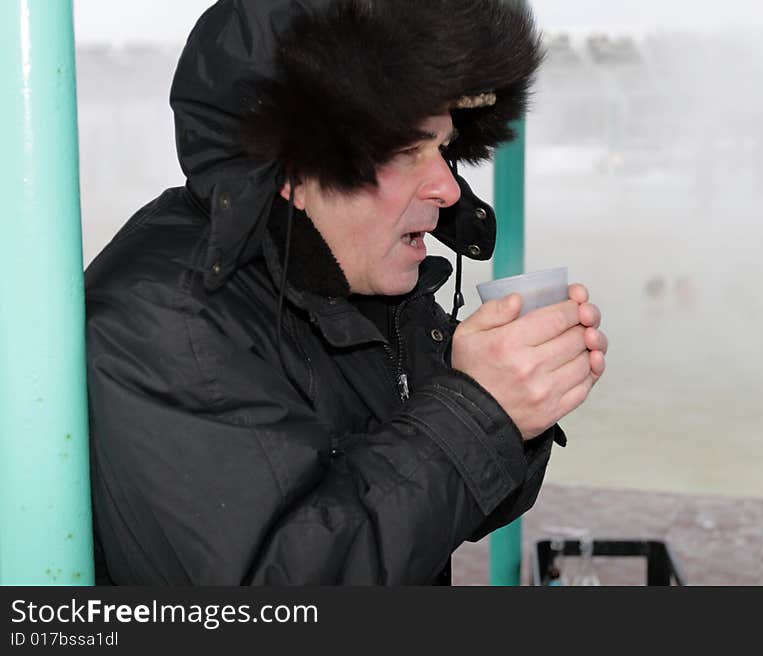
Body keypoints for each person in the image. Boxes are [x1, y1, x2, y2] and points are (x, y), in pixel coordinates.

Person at [85, 0, 608, 585]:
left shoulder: (358, 276)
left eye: (443, 148)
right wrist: (479, 408)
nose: (447, 187)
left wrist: (518, 411)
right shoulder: (164, 320)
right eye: (407, 150)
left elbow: (441, 511)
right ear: (296, 169)